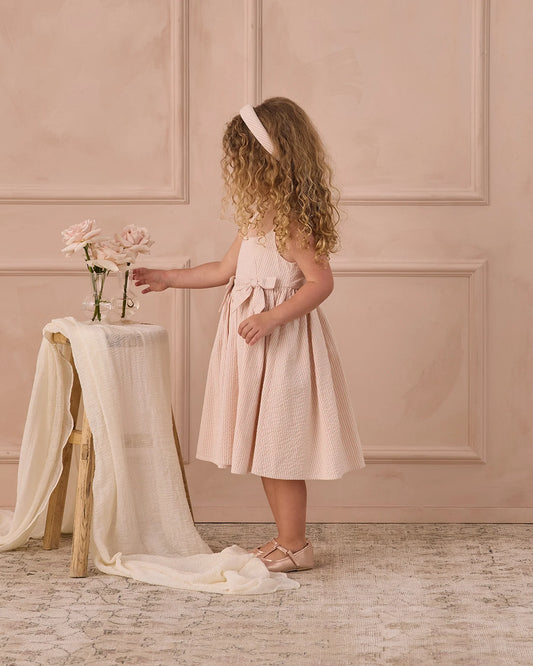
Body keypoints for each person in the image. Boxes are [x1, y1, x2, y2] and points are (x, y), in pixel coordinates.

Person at [132, 97, 366, 574]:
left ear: (269, 161)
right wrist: (168, 278)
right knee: (266, 448)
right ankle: (286, 538)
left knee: (281, 450)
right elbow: (223, 270)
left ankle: (296, 545)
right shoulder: (258, 217)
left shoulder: (292, 224)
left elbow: (321, 283)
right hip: (254, 352)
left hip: (283, 351)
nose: (239, 171)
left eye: (244, 160)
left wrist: (272, 317)